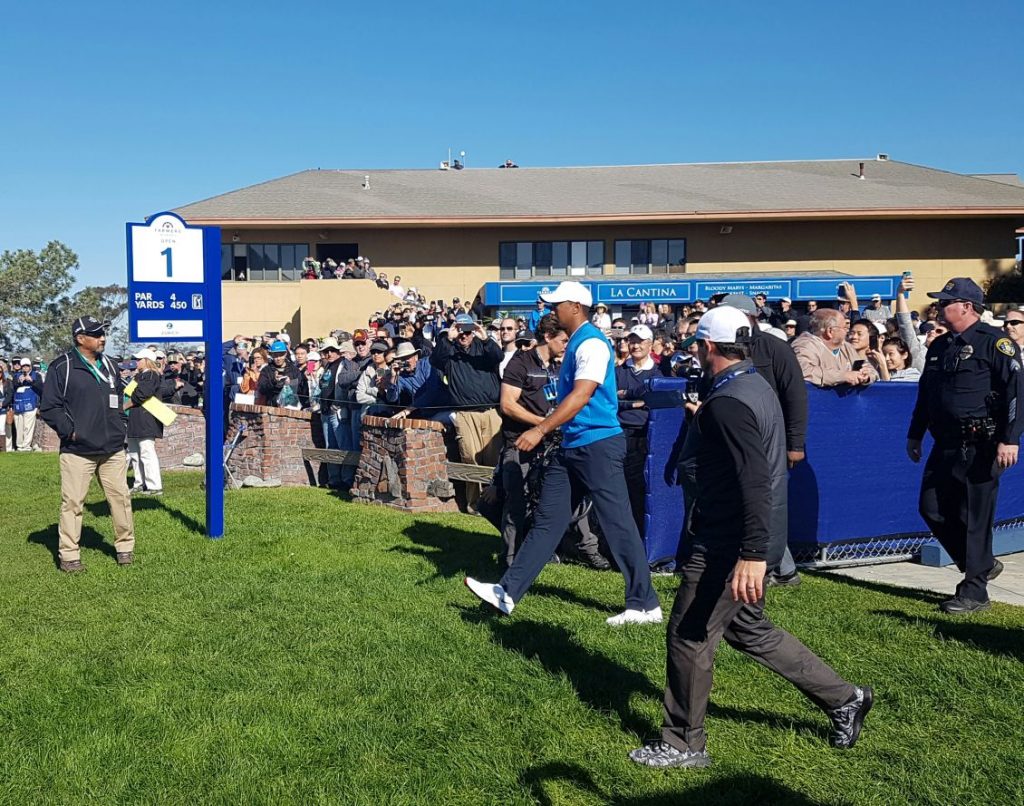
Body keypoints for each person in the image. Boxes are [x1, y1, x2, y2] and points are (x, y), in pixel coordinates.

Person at [629, 306, 872, 769]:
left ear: (708, 348)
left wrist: (753, 555)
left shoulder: (731, 402)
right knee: (749, 630)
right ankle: (845, 698)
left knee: (688, 635)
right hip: (740, 535)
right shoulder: (750, 387)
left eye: (697, 345)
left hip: (728, 542)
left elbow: (756, 480)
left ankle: (682, 744)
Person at [465, 281, 661, 625]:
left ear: (575, 306)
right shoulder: (577, 345)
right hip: (573, 445)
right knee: (546, 522)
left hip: (597, 445)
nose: (552, 310)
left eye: (557, 304)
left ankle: (644, 605)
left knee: (618, 524)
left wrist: (540, 429)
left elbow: (582, 395)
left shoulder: (593, 345)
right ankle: (507, 593)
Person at [907, 277, 1024, 614]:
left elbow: (1016, 392)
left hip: (982, 442)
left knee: (975, 517)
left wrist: (1010, 439)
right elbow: (926, 395)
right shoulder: (940, 347)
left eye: (947, 302)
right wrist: (915, 433)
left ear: (967, 307)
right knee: (931, 507)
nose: (940, 307)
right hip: (945, 442)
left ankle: (974, 593)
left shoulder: (995, 343)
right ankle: (981, 564)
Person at [39, 317, 136, 572]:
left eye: (103, 333)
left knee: (121, 500)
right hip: (78, 451)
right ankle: (69, 555)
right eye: (96, 334)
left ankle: (125, 548)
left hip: (112, 448)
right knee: (72, 504)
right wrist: (71, 432)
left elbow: (118, 398)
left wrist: (121, 422)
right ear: (80, 338)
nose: (102, 338)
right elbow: (50, 407)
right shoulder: (62, 367)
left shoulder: (111, 365)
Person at [497, 314, 573, 568]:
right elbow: (507, 405)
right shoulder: (521, 363)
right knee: (515, 501)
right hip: (519, 442)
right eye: (563, 339)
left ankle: (541, 552)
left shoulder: (557, 365)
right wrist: (541, 425)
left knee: (544, 500)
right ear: (548, 337)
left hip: (551, 444)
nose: (566, 344)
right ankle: (510, 559)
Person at [429, 313, 504, 510]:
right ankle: (475, 504)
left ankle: (494, 501)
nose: (464, 335)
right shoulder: (449, 352)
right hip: (465, 413)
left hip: (490, 411)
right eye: (461, 331)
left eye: (468, 331)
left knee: (493, 458)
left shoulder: (483, 348)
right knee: (470, 457)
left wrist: (484, 336)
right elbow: (435, 360)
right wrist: (448, 338)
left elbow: (498, 356)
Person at [615, 324, 660, 534]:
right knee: (624, 488)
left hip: (649, 435)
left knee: (644, 488)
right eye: (632, 341)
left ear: (650, 344)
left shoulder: (660, 372)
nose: (635, 345)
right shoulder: (618, 371)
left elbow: (657, 401)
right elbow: (611, 402)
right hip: (622, 433)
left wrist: (626, 395)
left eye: (640, 341)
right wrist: (633, 402)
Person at [791, 309, 876, 387]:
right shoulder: (805, 345)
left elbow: (870, 369)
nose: (847, 332)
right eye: (844, 328)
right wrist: (843, 376)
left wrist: (866, 376)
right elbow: (803, 371)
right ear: (830, 331)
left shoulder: (846, 347)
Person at [125, 349, 170, 495]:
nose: (136, 362)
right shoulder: (139, 376)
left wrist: (124, 406)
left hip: (146, 419)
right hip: (136, 419)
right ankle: (140, 482)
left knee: (146, 452)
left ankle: (154, 486)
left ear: (147, 360)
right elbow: (129, 391)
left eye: (139, 359)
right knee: (134, 453)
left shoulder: (151, 375)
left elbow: (142, 394)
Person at [12, 358, 43, 451]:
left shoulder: (36, 375)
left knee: (27, 426)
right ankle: (19, 445)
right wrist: (18, 382)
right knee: (19, 426)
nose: (25, 368)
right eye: (23, 366)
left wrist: (31, 381)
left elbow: (41, 388)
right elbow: (13, 387)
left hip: (31, 404)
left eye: (27, 366)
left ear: (30, 366)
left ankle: (26, 446)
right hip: (18, 404)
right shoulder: (17, 375)